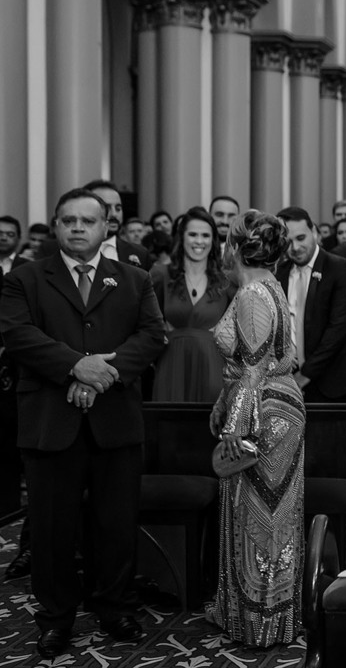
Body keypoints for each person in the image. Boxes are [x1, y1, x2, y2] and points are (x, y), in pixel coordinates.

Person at [0, 188, 165, 659]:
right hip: (51, 422)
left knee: (115, 523)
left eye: (87, 221)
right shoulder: (25, 278)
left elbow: (153, 336)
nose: (77, 228)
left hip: (114, 420)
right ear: (54, 226)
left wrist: (98, 376)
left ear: (106, 227)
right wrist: (77, 366)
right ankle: (55, 619)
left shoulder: (134, 279)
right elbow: (18, 335)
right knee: (52, 529)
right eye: (68, 220)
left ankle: (114, 606)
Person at [206, 210, 304, 647]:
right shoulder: (271, 287)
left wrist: (234, 425)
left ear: (233, 247)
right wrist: (224, 400)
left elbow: (251, 368)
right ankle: (267, 616)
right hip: (277, 402)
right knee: (270, 511)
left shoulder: (251, 294)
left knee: (260, 512)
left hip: (264, 410)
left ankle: (261, 621)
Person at [276, 207, 346, 404]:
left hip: (333, 385)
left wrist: (305, 374)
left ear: (314, 232)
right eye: (288, 242)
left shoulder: (341, 269)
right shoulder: (278, 273)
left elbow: (338, 329)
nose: (295, 247)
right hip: (287, 382)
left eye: (300, 238)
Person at [150, 207, 235, 404]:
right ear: (182, 238)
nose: (199, 241)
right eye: (193, 234)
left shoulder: (226, 281)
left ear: (213, 240)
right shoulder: (161, 274)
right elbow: (142, 320)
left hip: (212, 369)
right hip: (171, 366)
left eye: (205, 235)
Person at [38, 180, 151, 269]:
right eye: (106, 207)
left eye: (118, 208)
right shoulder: (51, 249)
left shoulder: (138, 253)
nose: (114, 214)